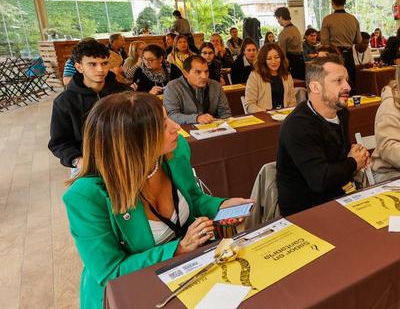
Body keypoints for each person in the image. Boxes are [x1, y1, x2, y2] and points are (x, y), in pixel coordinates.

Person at [63, 91, 251, 309]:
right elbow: (111, 272)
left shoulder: (175, 150)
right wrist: (178, 249)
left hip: (186, 272)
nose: (176, 127)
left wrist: (220, 206)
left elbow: (194, 198)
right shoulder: (86, 197)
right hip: (132, 294)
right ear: (132, 141)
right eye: (162, 125)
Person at [276, 55, 370, 216]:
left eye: (346, 80)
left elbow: (337, 159)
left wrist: (355, 156)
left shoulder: (342, 113)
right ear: (315, 87)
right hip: (306, 212)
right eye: (338, 81)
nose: (348, 86)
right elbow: (320, 180)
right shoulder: (297, 126)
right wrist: (353, 162)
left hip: (340, 196)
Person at [49, 39, 131, 170]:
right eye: (92, 64)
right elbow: (59, 143)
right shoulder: (65, 101)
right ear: (79, 67)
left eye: (104, 63)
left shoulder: (125, 92)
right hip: (88, 163)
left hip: (127, 158)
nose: (100, 69)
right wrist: (78, 160)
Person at [163, 55, 231, 125]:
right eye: (198, 72)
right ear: (185, 73)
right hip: (185, 131)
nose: (204, 76)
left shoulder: (216, 86)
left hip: (214, 128)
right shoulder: (173, 87)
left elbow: (225, 114)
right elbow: (171, 116)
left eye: (206, 71)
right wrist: (196, 118)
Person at [320, 0, 362, 94]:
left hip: (334, 56)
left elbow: (324, 42)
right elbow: (359, 40)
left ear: (332, 3)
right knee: (350, 84)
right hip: (349, 55)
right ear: (345, 1)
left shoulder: (327, 19)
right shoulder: (353, 19)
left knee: (335, 85)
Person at [243, 43, 297, 113]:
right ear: (263, 60)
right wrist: (267, 114)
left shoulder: (287, 75)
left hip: (285, 117)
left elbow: (292, 101)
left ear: (281, 58)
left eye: (277, 57)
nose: (273, 61)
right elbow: (249, 104)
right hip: (265, 117)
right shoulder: (255, 76)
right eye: (269, 59)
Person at [274, 7, 305, 80]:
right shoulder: (296, 29)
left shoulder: (283, 33)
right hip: (300, 60)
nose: (278, 21)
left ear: (281, 17)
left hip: (291, 62)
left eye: (277, 19)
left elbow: (282, 54)